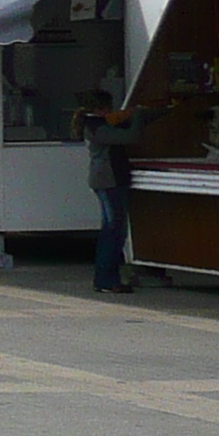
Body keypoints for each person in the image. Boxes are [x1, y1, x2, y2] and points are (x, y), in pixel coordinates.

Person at [82, 81, 145, 293]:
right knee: (114, 231)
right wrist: (137, 116)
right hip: (109, 180)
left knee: (112, 229)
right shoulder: (97, 127)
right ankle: (106, 279)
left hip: (106, 180)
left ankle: (107, 278)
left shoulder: (95, 124)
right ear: (102, 108)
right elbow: (130, 137)